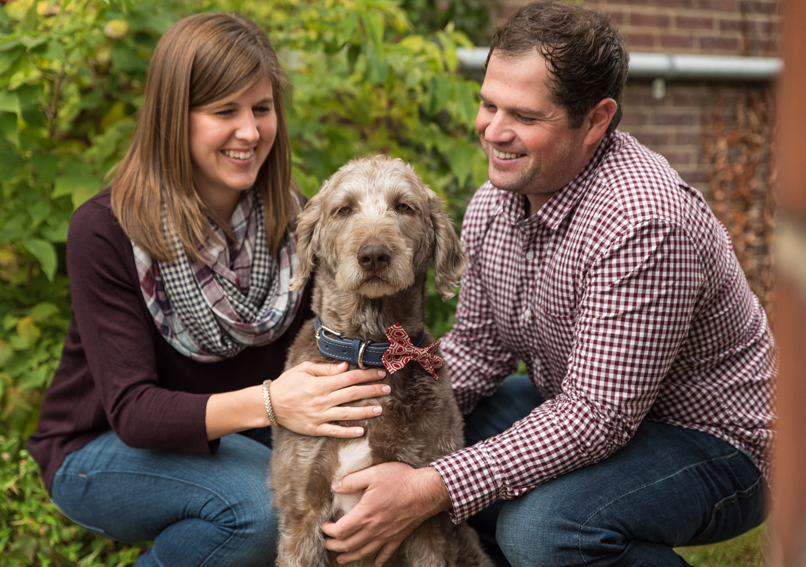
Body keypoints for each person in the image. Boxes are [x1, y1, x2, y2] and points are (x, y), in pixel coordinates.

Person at [320, 2, 777, 566]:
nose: (495, 131)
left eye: (526, 117)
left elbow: (595, 417)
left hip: (714, 443)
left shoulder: (643, 224)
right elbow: (478, 353)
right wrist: (366, 418)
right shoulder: (495, 203)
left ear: (596, 120)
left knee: (545, 528)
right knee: (434, 430)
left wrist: (430, 485)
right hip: (575, 401)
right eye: (489, 104)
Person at [27, 12, 389, 567]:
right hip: (102, 448)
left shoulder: (293, 218)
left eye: (262, 109)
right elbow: (133, 410)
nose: (250, 131)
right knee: (259, 511)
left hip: (247, 435)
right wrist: (273, 402)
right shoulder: (105, 230)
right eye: (225, 111)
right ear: (176, 118)